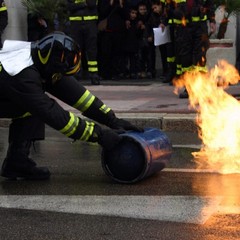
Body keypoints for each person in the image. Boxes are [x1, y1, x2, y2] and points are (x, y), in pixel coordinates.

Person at [0, 32, 143, 180]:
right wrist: (99, 135)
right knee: (37, 107)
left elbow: (78, 96)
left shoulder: (41, 57)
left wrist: (112, 120)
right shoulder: (21, 74)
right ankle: (17, 161)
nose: (59, 76)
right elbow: (55, 116)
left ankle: (16, 163)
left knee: (33, 107)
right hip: (7, 87)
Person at [165, 0, 216, 98]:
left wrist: (212, 20)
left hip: (200, 27)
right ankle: (189, 88)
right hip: (183, 28)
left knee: (200, 56)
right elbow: (168, 7)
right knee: (185, 58)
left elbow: (209, 4)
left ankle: (201, 86)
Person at [67, 0, 100, 85]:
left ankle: (94, 75)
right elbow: (70, 7)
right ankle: (76, 73)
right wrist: (83, 4)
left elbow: (92, 4)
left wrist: (78, 5)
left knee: (92, 50)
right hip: (76, 24)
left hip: (90, 23)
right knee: (76, 49)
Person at [123, 6, 142, 79]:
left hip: (134, 44)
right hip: (126, 43)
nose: (134, 15)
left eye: (135, 13)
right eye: (132, 13)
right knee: (125, 59)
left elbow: (138, 34)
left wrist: (140, 28)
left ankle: (133, 72)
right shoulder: (126, 22)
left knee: (133, 60)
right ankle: (125, 72)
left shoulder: (137, 23)